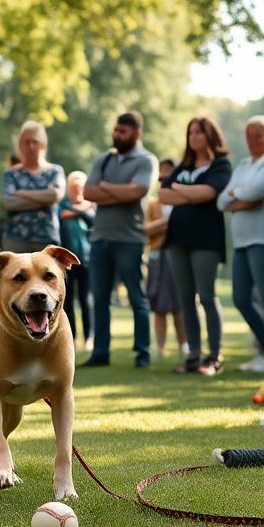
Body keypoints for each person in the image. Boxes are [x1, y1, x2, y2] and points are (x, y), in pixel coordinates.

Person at [82, 111, 159, 368]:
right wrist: (120, 193)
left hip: (130, 239)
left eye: (122, 131)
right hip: (100, 237)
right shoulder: (103, 159)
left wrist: (106, 189)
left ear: (137, 134)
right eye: (115, 130)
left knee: (137, 297)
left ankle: (142, 352)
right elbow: (88, 191)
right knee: (100, 298)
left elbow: (138, 191)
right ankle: (100, 353)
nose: (117, 135)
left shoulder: (147, 160)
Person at [161, 116, 233, 376]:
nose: (193, 137)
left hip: (206, 241)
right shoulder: (183, 166)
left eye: (199, 133)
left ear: (210, 136)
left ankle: (214, 357)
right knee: (185, 299)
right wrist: (192, 191)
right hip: (176, 240)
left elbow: (210, 194)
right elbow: (163, 194)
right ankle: (193, 355)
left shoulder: (221, 164)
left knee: (206, 296)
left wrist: (182, 190)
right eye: (190, 132)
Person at [219, 116, 264, 373]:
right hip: (242, 242)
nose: (252, 141)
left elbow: (254, 192)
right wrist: (241, 197)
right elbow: (221, 201)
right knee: (241, 298)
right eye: (249, 136)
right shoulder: (244, 164)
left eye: (258, 135)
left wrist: (239, 194)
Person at [1, 121, 65, 252]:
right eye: (26, 142)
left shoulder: (54, 171)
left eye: (35, 141)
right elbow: (9, 203)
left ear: (43, 144)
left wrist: (22, 193)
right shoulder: (11, 173)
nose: (31, 146)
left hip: (47, 239)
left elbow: (54, 196)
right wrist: (43, 199)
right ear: (20, 145)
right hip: (15, 239)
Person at [145, 159, 186, 360]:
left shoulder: (183, 200)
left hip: (179, 255)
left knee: (181, 305)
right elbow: (145, 230)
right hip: (157, 257)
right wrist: (167, 223)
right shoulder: (153, 203)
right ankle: (160, 348)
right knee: (159, 306)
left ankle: (185, 346)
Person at [58, 171, 95, 351]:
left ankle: (90, 337)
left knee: (86, 300)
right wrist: (78, 211)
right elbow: (60, 217)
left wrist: (75, 211)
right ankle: (71, 337)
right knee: (68, 300)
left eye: (80, 187)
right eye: (73, 187)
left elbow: (93, 222)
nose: (77, 190)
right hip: (66, 261)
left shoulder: (91, 207)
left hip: (87, 260)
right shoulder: (61, 206)